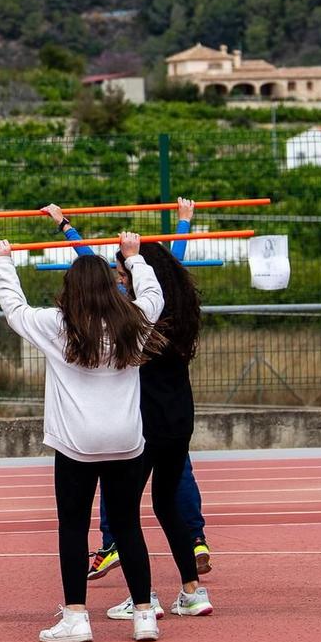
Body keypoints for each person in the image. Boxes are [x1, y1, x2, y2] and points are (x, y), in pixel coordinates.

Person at [0, 232, 164, 642]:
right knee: (128, 528)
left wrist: (3, 260)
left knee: (73, 527)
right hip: (125, 442)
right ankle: (144, 614)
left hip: (77, 445)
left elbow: (14, 309)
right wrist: (134, 257)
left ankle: (76, 617)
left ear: (70, 290)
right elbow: (154, 293)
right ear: (110, 287)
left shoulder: (58, 325)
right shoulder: (134, 322)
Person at [59, 200, 212, 583]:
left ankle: (127, 572)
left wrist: (66, 227)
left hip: (141, 421)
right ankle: (194, 560)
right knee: (170, 493)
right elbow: (171, 260)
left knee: (122, 506)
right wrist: (183, 222)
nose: (120, 281)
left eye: (124, 276)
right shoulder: (176, 308)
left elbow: (93, 270)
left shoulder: (134, 318)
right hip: (178, 417)